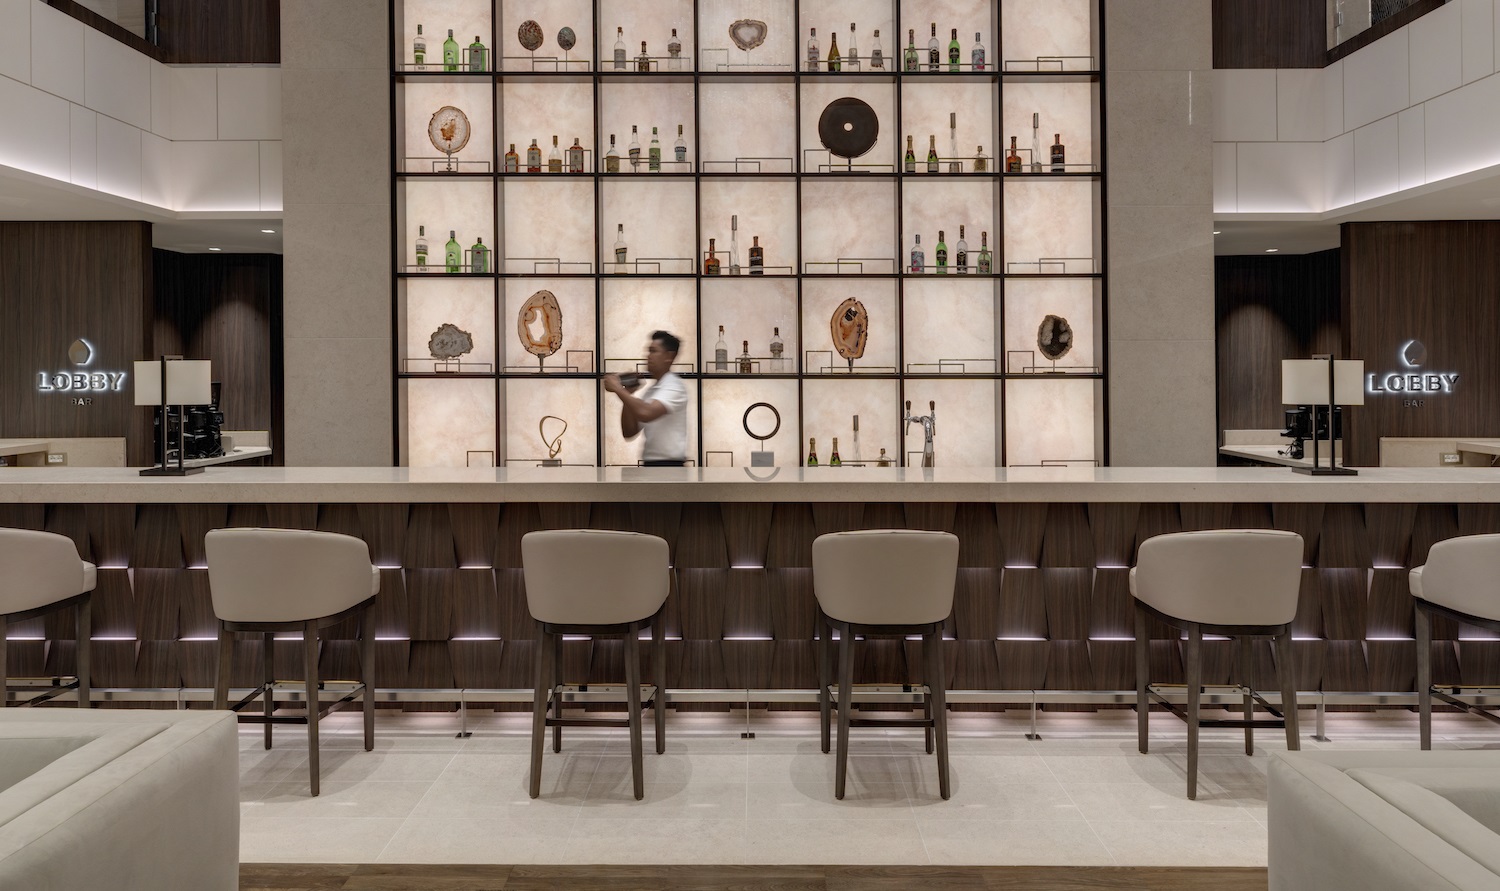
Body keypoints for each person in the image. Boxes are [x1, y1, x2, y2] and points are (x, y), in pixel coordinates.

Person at [602, 330, 688, 466]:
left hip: (671, 467)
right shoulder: (651, 392)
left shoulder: (674, 386)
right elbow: (629, 432)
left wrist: (618, 389)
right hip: (650, 464)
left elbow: (646, 413)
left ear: (669, 356)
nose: (648, 356)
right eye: (648, 351)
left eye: (653, 351)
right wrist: (628, 394)